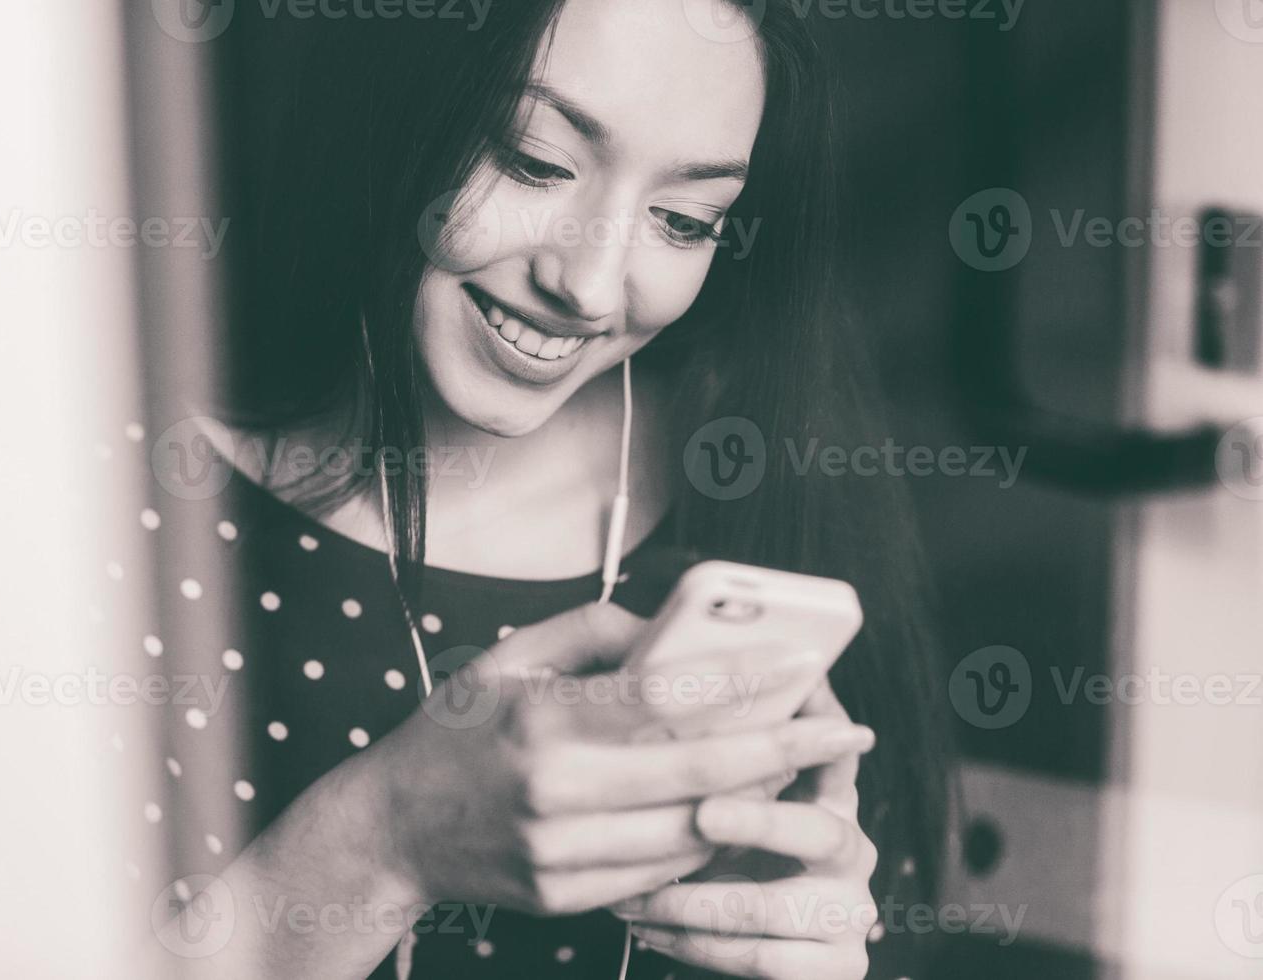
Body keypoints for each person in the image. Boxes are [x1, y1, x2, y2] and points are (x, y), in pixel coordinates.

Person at [136, 1, 950, 976]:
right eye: (533, 161)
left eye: (685, 220)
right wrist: (385, 836)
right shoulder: (123, 501)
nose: (594, 286)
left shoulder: (762, 476)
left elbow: (886, 919)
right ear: (390, 97)